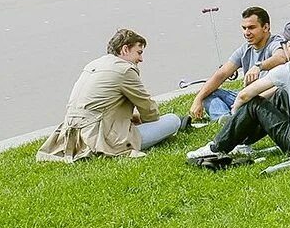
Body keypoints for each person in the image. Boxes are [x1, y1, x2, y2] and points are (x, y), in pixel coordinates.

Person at [186, 20, 290, 160]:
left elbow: (244, 95)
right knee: (280, 94)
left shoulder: (289, 70)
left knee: (255, 105)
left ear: (289, 46)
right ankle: (241, 142)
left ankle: (216, 148)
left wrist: (236, 112)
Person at [39, 29, 187, 162]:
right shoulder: (125, 70)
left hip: (71, 138)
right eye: (139, 52)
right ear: (124, 49)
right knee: (172, 120)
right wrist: (142, 119)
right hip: (100, 140)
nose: (141, 59)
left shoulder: (93, 64)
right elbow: (150, 113)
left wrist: (130, 119)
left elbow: (98, 107)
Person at [188, 7, 286, 121]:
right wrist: (198, 99)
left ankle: (233, 119)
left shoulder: (275, 42)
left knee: (249, 101)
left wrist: (258, 66)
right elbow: (222, 74)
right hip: (246, 96)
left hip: (267, 98)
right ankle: (226, 118)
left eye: (251, 28)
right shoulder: (245, 49)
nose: (247, 33)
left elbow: (281, 57)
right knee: (208, 93)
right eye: (244, 28)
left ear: (266, 27)